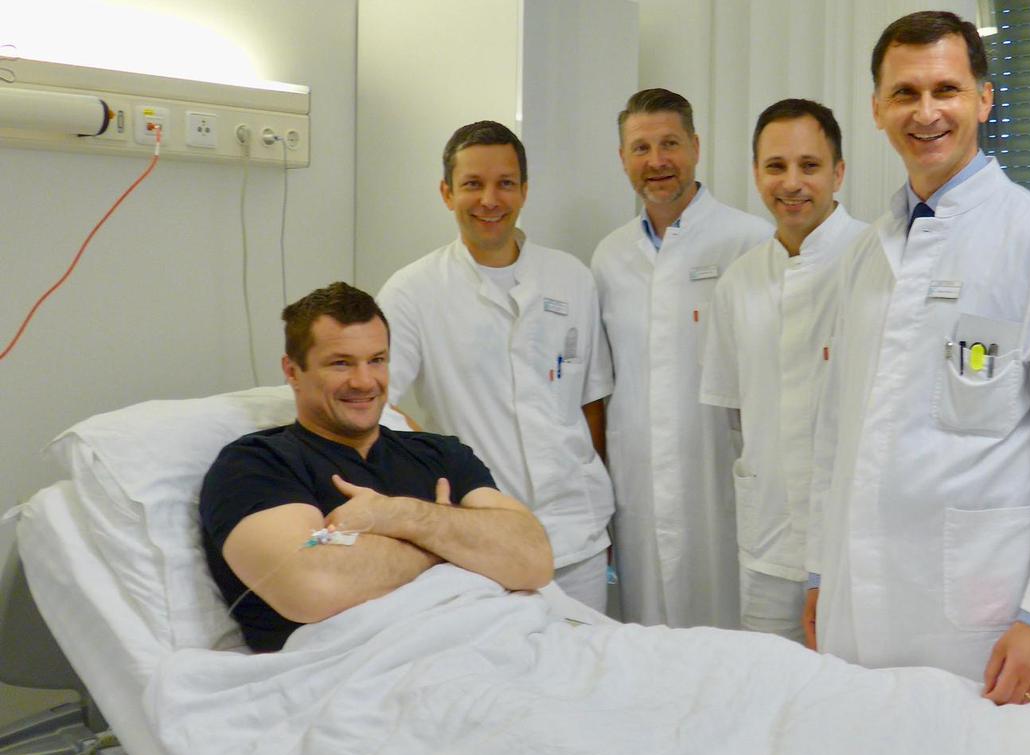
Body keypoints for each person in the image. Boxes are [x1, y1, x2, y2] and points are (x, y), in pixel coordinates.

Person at [805, 11, 1030, 705]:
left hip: (985, 624)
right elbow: (837, 433)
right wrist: (821, 573)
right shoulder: (865, 255)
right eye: (905, 93)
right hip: (856, 603)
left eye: (945, 89)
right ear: (877, 109)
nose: (926, 113)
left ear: (983, 99)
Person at [199, 282, 553, 652]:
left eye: (377, 360)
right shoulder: (257, 463)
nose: (364, 381)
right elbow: (311, 585)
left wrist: (398, 515)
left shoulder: (441, 454)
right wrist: (454, 541)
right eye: (341, 363)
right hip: (351, 668)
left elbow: (533, 560)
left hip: (487, 642)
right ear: (292, 371)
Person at [377, 121, 615, 611]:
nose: (490, 200)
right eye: (473, 184)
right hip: (482, 542)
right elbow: (375, 403)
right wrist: (437, 458)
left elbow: (591, 402)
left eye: (505, 183)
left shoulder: (571, 277)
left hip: (578, 534)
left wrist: (600, 514)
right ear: (447, 193)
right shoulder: (412, 292)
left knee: (590, 656)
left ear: (524, 190)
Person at [591, 88, 773, 629]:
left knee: (731, 635)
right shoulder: (609, 257)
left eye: (669, 144)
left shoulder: (750, 242)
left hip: (721, 477)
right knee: (648, 637)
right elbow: (604, 386)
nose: (657, 161)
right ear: (622, 158)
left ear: (695, 146)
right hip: (638, 487)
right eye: (641, 148)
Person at [699, 99, 866, 641]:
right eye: (776, 166)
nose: (791, 183)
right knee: (769, 682)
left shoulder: (877, 263)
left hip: (854, 545)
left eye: (809, 165)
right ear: (756, 174)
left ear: (839, 172)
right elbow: (736, 414)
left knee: (850, 684)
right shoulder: (738, 282)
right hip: (768, 540)